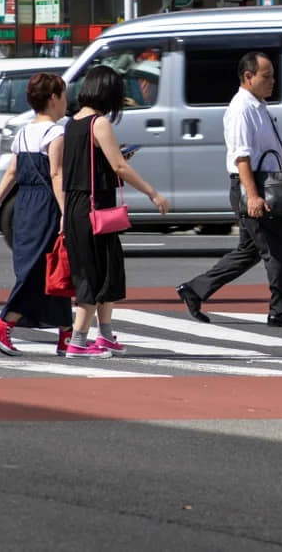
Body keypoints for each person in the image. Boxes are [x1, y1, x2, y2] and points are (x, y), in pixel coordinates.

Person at [176, 51, 282, 328]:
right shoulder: (241, 109)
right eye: (266, 77)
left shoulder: (259, 106)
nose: (273, 82)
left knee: (249, 250)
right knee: (278, 249)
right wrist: (253, 195)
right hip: (252, 186)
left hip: (258, 186)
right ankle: (281, 311)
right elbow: (241, 157)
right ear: (248, 77)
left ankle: (194, 290)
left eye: (272, 77)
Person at [62, 66, 170, 357]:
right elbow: (119, 167)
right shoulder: (99, 124)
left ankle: (105, 336)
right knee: (92, 274)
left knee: (107, 269)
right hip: (94, 208)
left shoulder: (72, 124)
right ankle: (79, 341)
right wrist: (153, 193)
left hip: (77, 206)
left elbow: (86, 167)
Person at [0, 73, 73, 356]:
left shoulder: (22, 132)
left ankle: (66, 335)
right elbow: (56, 174)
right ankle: (2, 324)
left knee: (47, 268)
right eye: (63, 95)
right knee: (38, 269)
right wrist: (65, 212)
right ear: (53, 98)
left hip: (24, 204)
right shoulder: (56, 133)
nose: (66, 101)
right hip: (45, 204)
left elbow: (12, 172)